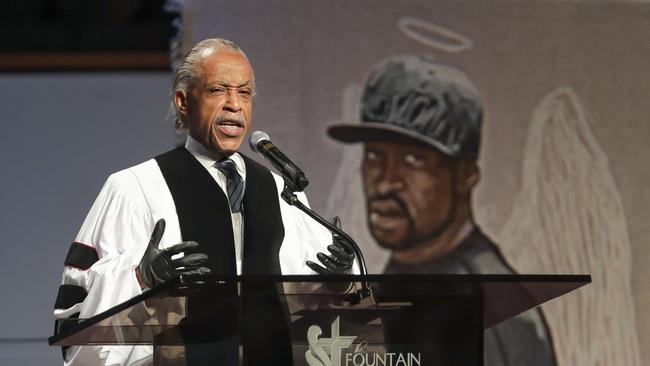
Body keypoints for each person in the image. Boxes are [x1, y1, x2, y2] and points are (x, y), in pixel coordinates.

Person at [53, 38, 354, 365]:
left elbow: (312, 319)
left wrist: (340, 283)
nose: (234, 104)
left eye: (244, 92)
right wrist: (141, 278)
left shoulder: (282, 193)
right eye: (218, 90)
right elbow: (77, 314)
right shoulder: (134, 188)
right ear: (183, 101)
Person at [327, 55, 557, 366]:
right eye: (374, 155)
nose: (386, 182)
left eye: (414, 159)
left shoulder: (496, 313)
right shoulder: (400, 275)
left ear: (465, 175)